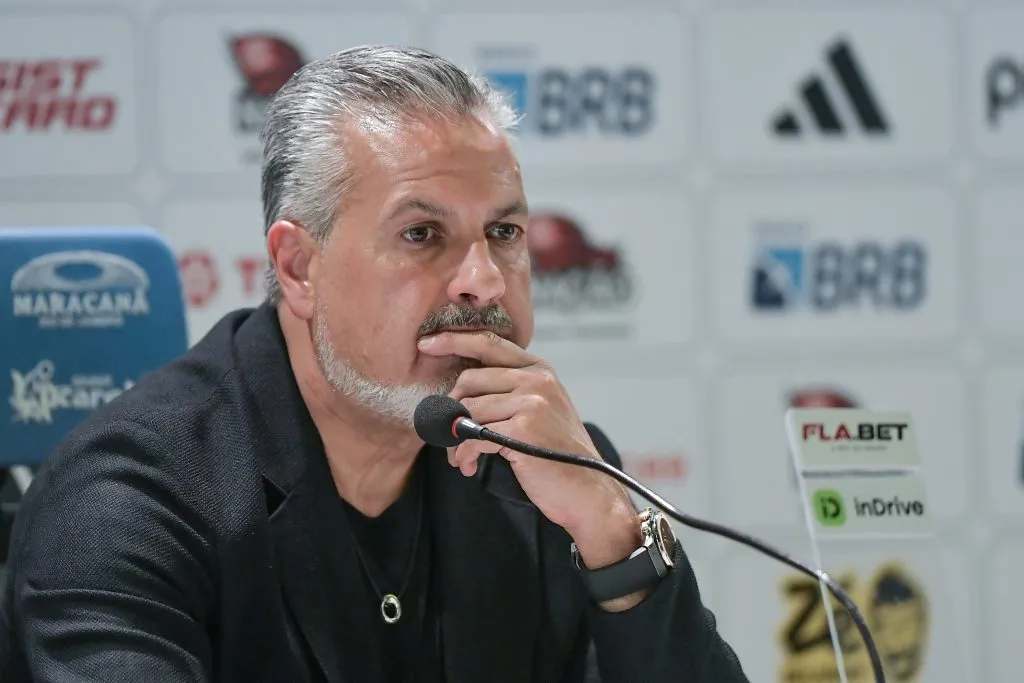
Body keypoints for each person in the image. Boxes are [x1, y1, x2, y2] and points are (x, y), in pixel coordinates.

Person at [0, 46, 749, 682]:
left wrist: (612, 534)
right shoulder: (128, 502)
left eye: (504, 232)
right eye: (422, 234)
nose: (484, 282)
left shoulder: (546, 471)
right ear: (299, 267)